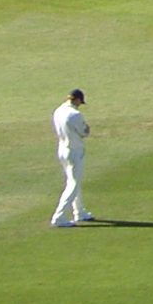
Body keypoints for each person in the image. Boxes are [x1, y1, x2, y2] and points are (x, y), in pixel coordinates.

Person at [51, 88, 94, 227]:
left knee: (74, 181)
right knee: (73, 184)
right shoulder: (75, 114)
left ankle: (79, 212)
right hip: (74, 151)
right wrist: (87, 129)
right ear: (76, 100)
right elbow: (84, 132)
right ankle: (59, 216)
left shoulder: (58, 111)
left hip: (62, 149)